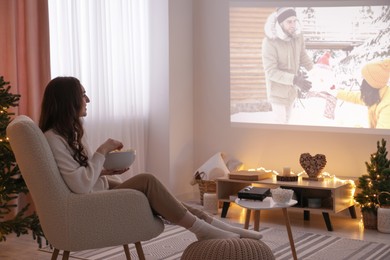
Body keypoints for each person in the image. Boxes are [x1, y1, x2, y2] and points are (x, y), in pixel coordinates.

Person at [38, 76, 262, 241]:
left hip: (96, 192)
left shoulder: (71, 133)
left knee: (160, 194)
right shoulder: (54, 138)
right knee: (147, 181)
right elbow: (80, 184)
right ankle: (203, 230)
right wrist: (102, 151)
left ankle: (215, 225)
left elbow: (80, 175)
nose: (87, 99)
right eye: (82, 94)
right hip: (89, 203)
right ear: (69, 101)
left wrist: (104, 170)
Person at [262, 7, 314, 123]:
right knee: (280, 123)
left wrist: (315, 72)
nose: (293, 25)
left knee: (287, 122)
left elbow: (302, 55)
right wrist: (294, 79)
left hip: (291, 91)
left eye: (295, 20)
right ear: (280, 23)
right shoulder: (270, 42)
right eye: (289, 21)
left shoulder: (297, 36)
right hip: (277, 91)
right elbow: (271, 71)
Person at [331, 58, 390, 128]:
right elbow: (356, 97)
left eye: (363, 79)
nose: (361, 82)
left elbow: (382, 137)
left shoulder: (387, 106)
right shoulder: (376, 95)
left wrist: (361, 132)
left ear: (370, 83)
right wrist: (335, 92)